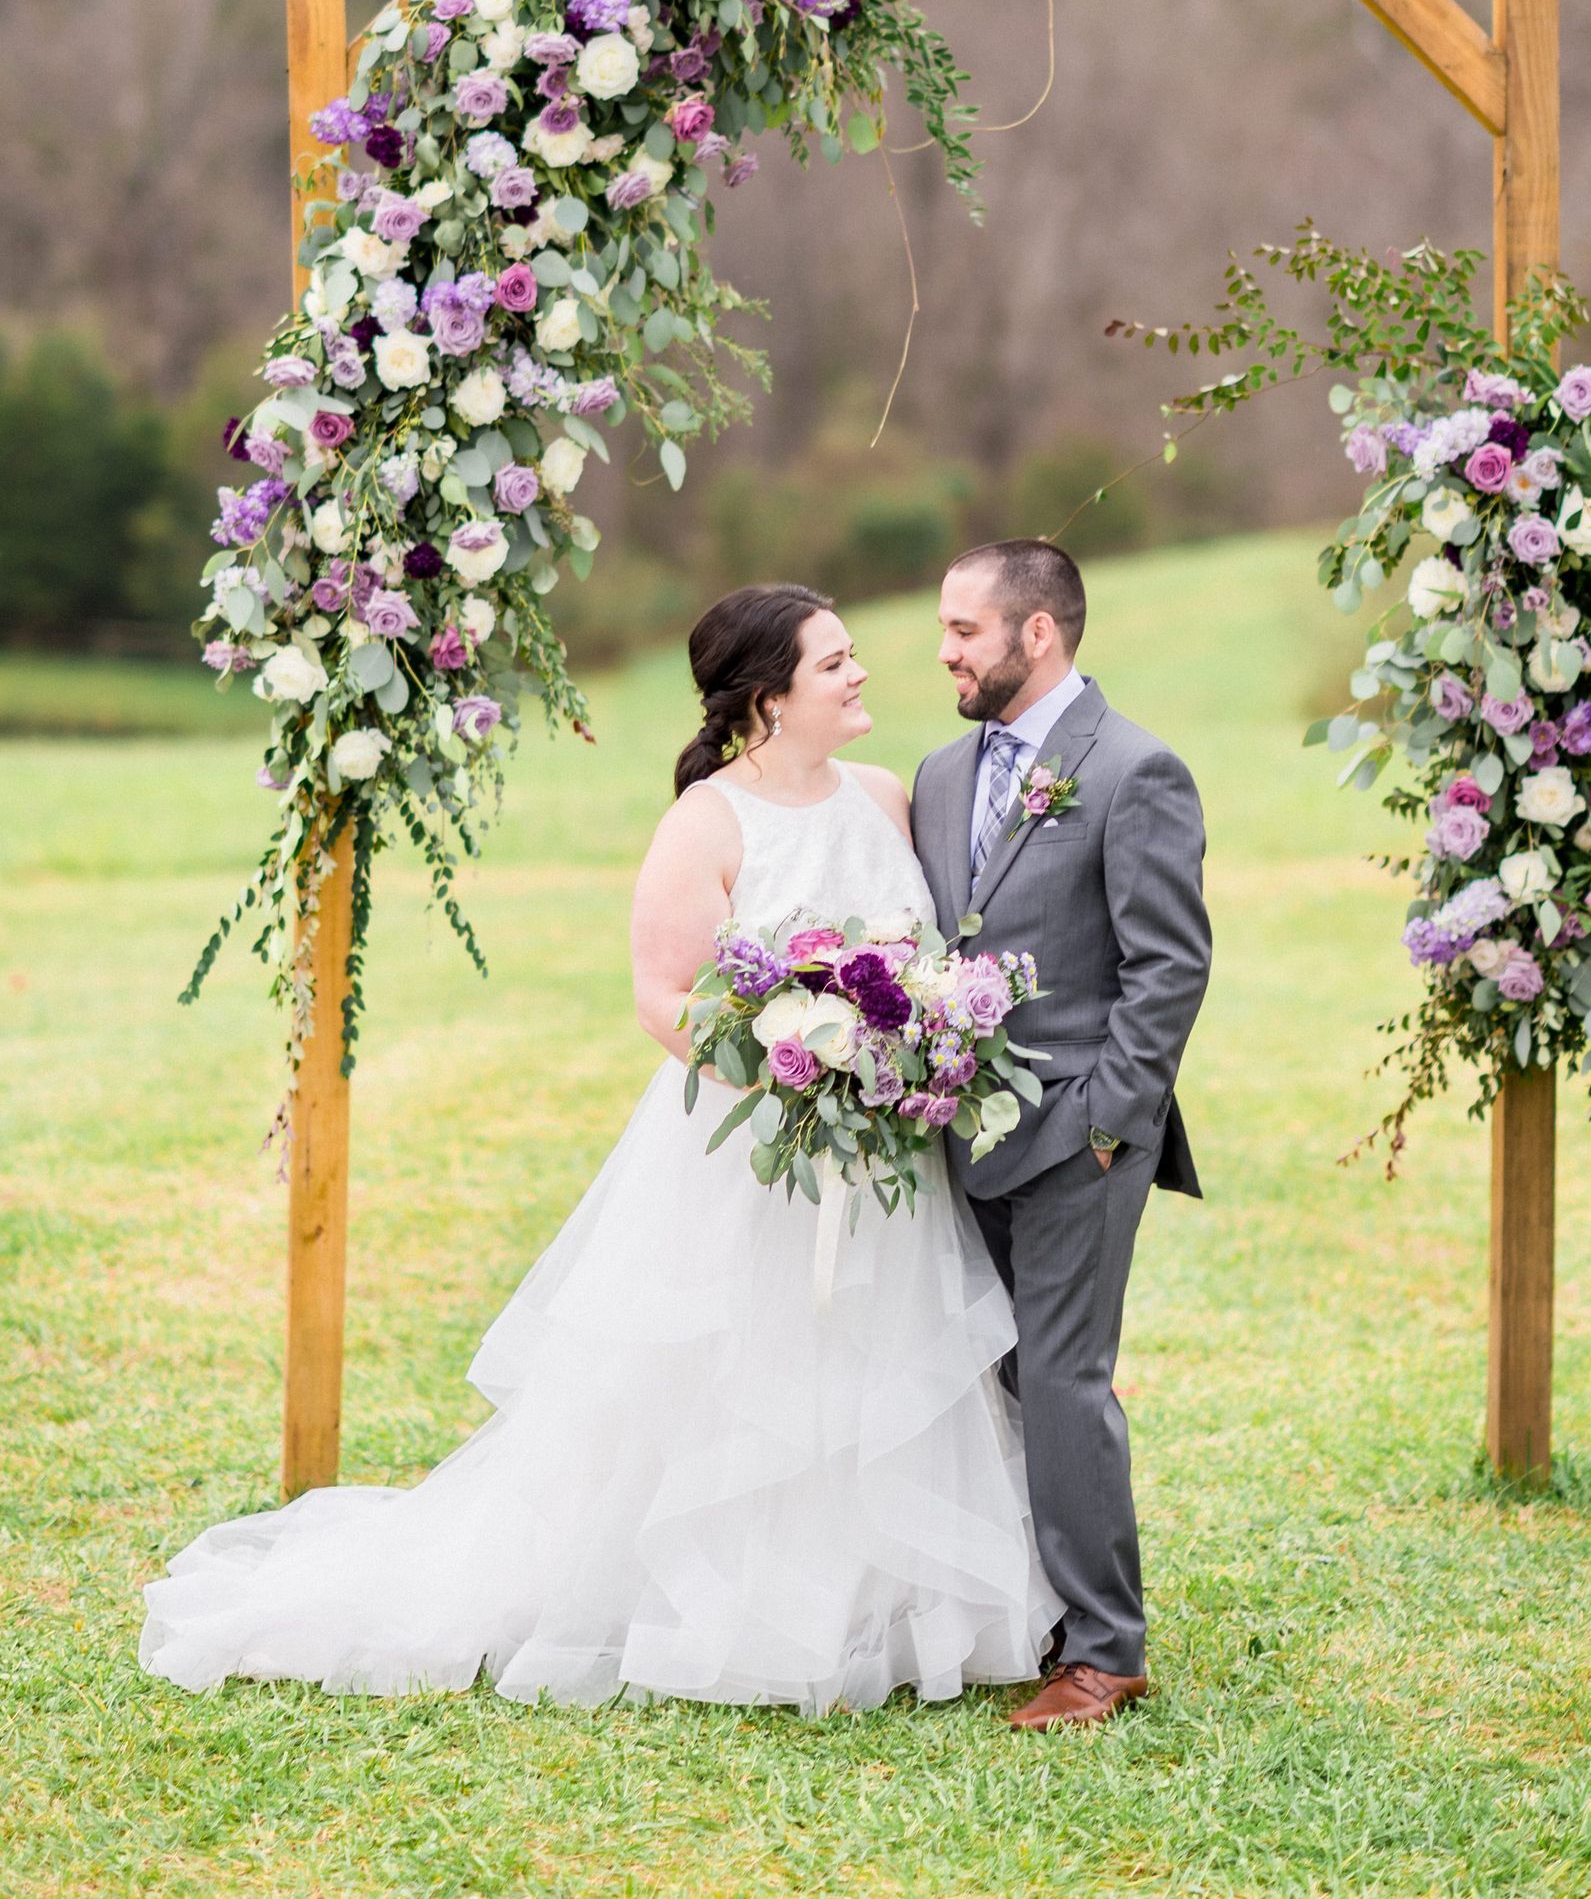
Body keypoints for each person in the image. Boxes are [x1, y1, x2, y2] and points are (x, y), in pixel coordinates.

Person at [140, 584, 1061, 1711]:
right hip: (755, 1153)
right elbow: (663, 997)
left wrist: (904, 1058)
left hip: (885, 1163)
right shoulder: (707, 822)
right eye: (836, 662)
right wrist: (793, 1074)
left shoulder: (883, 796)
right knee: (746, 1380)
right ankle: (725, 1606)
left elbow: (919, 963)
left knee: (877, 1370)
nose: (864, 672)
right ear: (769, 697)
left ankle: (875, 1604)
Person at [912, 540, 1211, 1730]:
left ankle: (1105, 1647)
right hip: (960, 1134)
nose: (944, 650)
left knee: (1063, 1378)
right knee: (991, 1370)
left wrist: (1106, 1125)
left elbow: (1169, 964)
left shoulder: (1137, 770)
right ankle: (1022, 1610)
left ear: (1038, 633)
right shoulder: (939, 774)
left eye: (964, 631)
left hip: (1080, 1137)